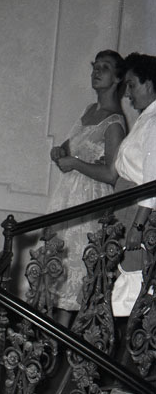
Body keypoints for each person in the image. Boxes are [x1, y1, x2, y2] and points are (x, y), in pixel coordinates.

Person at [48, 50, 126, 319]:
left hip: (90, 202)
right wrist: (60, 151)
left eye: (105, 67)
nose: (97, 71)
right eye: (95, 66)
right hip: (69, 197)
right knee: (59, 272)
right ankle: (55, 339)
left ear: (118, 78)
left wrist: (75, 163)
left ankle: (70, 341)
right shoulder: (89, 110)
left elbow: (111, 174)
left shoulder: (114, 122)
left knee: (78, 276)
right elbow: (71, 147)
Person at [114, 52, 156, 250]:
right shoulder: (147, 117)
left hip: (137, 209)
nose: (127, 93)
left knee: (132, 267)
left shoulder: (154, 121)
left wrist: (138, 226)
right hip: (128, 204)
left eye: (131, 85)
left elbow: (152, 179)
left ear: (148, 84)